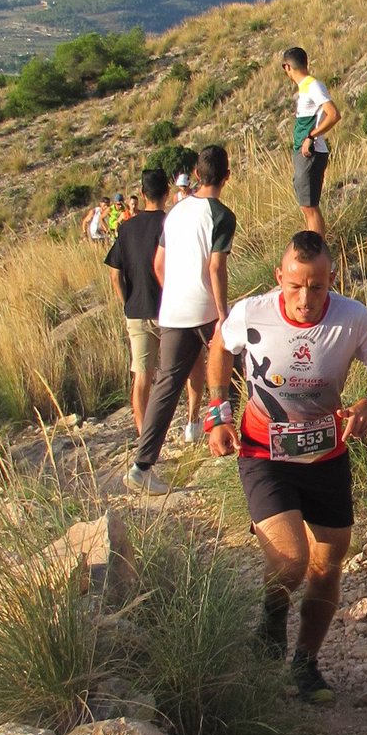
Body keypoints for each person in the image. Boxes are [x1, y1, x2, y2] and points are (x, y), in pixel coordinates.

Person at [205, 230, 367, 705]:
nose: (305, 298)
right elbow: (219, 346)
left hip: (326, 456)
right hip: (264, 453)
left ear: (331, 280)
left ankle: (306, 663)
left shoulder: (353, 318)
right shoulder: (252, 313)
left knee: (326, 564)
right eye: (295, 285)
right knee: (291, 560)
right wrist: (218, 412)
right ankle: (272, 616)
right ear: (279, 277)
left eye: (316, 287)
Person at [125, 145, 236, 495]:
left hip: (172, 311)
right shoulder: (221, 215)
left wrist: (174, 292)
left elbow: (158, 264)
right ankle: (235, 443)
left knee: (166, 386)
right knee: (232, 370)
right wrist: (222, 313)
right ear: (227, 176)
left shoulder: (174, 214)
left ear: (197, 175)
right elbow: (216, 267)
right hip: (205, 310)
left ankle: (142, 466)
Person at [106, 169, 204, 437]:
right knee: (192, 362)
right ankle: (193, 422)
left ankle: (144, 436)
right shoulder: (173, 223)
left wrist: (127, 303)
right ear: (167, 192)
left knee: (142, 375)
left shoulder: (126, 228)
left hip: (137, 309)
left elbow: (115, 274)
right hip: (172, 310)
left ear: (142, 193)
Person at [281, 47, 341, 238]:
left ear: (287, 67)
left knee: (310, 207)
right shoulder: (306, 87)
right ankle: (314, 248)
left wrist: (311, 137)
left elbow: (333, 114)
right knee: (306, 207)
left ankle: (316, 250)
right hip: (304, 153)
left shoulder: (313, 86)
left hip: (311, 153)